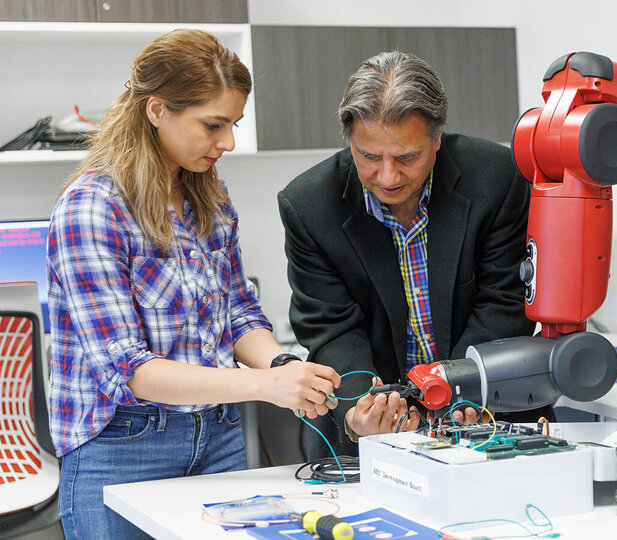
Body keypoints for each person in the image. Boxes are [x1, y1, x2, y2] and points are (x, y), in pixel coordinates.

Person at [46, 30, 341, 540]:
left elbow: (238, 314)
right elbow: (131, 370)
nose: (227, 142)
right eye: (214, 125)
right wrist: (264, 386)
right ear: (157, 109)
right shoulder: (91, 208)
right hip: (123, 449)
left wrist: (286, 368)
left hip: (220, 435)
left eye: (233, 125)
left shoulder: (209, 196)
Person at [279, 50, 546, 453]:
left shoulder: (496, 177)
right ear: (350, 137)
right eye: (369, 156)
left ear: (437, 138)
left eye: (406, 157)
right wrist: (358, 410)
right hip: (374, 437)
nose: (388, 176)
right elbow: (331, 327)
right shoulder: (310, 205)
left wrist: (461, 386)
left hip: (489, 414)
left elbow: (503, 302)